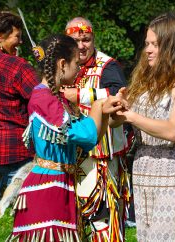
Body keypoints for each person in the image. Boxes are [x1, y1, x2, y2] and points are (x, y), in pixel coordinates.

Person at [7, 34, 125, 241]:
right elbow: (87, 135)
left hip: (59, 184)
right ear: (62, 64)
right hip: (47, 190)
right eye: (75, 64)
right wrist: (98, 106)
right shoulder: (44, 98)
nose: (79, 69)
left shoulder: (55, 98)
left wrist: (105, 112)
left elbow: (90, 137)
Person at [110, 11, 175, 241]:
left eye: (155, 44)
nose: (148, 50)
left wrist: (131, 115)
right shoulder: (145, 82)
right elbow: (120, 120)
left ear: (174, 45)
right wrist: (114, 109)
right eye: (147, 44)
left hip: (174, 174)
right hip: (144, 171)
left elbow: (172, 130)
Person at [64, 17, 130, 241]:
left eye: (86, 40)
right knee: (73, 218)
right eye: (75, 40)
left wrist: (80, 95)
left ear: (94, 39)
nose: (81, 46)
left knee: (102, 219)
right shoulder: (63, 64)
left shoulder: (107, 65)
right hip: (71, 157)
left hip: (101, 159)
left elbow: (119, 94)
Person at [0, 10, 40, 228]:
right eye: (17, 36)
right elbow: (43, 98)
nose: (21, 41)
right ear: (1, 36)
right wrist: (45, 67)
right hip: (17, 153)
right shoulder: (18, 66)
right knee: (27, 214)